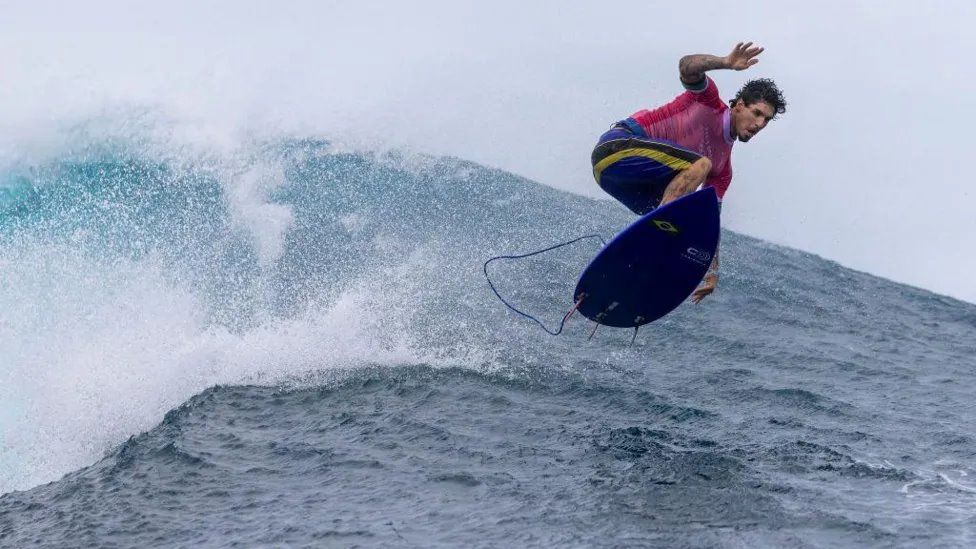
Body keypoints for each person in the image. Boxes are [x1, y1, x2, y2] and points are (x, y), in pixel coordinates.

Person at [591, 42, 787, 304]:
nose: (760, 124)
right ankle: (653, 238)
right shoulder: (708, 101)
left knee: (690, 219)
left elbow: (710, 222)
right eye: (757, 113)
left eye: (766, 120)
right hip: (616, 150)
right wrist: (725, 62)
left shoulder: (723, 170)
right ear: (739, 105)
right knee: (700, 166)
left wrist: (711, 271)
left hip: (621, 184)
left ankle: (634, 275)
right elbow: (686, 66)